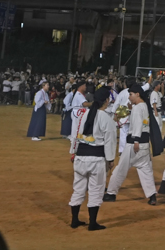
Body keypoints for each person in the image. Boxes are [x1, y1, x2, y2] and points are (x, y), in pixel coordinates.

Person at [104, 85, 163, 205]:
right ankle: (152, 196)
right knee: (146, 171)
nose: (129, 97)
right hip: (145, 144)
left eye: (131, 94)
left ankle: (111, 193)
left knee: (120, 169)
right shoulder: (145, 106)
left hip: (134, 144)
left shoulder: (137, 108)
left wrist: (136, 140)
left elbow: (137, 124)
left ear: (138, 94)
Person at [68, 87, 116, 230]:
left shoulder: (83, 115)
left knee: (78, 189)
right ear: (106, 101)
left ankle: (75, 220)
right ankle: (92, 223)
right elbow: (110, 142)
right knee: (96, 190)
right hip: (96, 160)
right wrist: (111, 159)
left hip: (80, 157)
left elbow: (76, 135)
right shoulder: (107, 119)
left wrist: (73, 152)